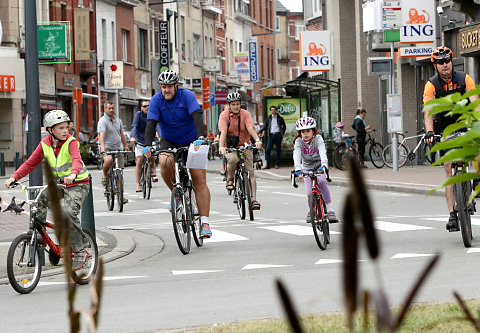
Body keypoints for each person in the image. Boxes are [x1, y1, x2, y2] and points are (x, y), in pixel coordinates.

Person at [5, 110, 90, 255]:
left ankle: (80, 249)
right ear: (50, 130)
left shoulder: (71, 142)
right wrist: (14, 177)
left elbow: (76, 160)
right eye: (61, 128)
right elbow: (30, 163)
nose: (65, 131)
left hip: (78, 184)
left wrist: (73, 174)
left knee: (69, 213)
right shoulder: (44, 144)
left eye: (66, 127)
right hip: (60, 184)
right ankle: (40, 235)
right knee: (38, 200)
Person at [142, 69, 212, 238]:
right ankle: (177, 194)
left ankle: (204, 222)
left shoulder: (186, 96)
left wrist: (201, 137)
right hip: (169, 139)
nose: (166, 90)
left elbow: (197, 116)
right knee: (165, 162)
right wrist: (147, 146)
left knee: (198, 178)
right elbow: (151, 124)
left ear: (176, 86)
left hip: (191, 139)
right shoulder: (156, 100)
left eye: (169, 87)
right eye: (163, 86)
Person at [423, 46, 479, 232]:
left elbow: (475, 102)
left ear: (451, 61)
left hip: (464, 120)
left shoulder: (465, 78)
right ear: (435, 65)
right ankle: (452, 214)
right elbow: (429, 112)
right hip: (444, 127)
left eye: (447, 61)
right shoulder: (431, 85)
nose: (444, 65)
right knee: (449, 169)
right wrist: (430, 132)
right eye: (440, 62)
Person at [218, 92, 263, 210]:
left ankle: (253, 199)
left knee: (250, 172)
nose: (236, 106)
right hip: (230, 146)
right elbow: (223, 132)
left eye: (238, 104)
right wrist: (221, 146)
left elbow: (250, 128)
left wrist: (257, 140)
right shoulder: (224, 115)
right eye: (233, 104)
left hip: (245, 144)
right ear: (229, 105)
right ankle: (230, 179)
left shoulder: (246, 114)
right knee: (232, 159)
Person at [293, 116, 338, 222]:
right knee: (309, 192)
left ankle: (330, 210)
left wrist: (324, 166)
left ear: (313, 131)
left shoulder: (318, 138)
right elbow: (297, 154)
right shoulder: (299, 141)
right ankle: (311, 210)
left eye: (308, 131)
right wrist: (297, 169)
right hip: (307, 168)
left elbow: (323, 152)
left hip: (319, 166)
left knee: (322, 182)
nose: (306, 134)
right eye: (303, 132)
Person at [98, 102, 130, 203]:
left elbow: (121, 134)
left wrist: (125, 145)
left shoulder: (118, 120)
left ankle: (120, 195)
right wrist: (103, 149)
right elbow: (102, 136)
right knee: (108, 160)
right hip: (107, 147)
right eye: (109, 108)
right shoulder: (102, 121)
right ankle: (105, 175)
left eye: (112, 108)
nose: (111, 110)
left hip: (118, 147)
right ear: (105, 109)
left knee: (119, 171)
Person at [130, 99, 158, 192]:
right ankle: (138, 183)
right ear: (141, 108)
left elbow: (158, 125)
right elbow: (134, 126)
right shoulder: (138, 115)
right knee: (139, 160)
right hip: (140, 141)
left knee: (151, 154)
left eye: (148, 106)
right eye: (145, 106)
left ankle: (153, 167)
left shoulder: (154, 114)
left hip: (151, 140)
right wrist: (133, 137)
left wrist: (160, 135)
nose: (147, 108)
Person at [261, 105, 286, 169]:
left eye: (274, 110)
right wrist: (259, 131)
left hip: (278, 135)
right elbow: (265, 126)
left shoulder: (280, 118)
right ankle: (268, 164)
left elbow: (284, 126)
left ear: (276, 110)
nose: (273, 111)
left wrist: (282, 134)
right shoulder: (268, 118)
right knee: (267, 149)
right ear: (270, 111)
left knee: (278, 150)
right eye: (272, 110)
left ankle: (277, 164)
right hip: (271, 135)